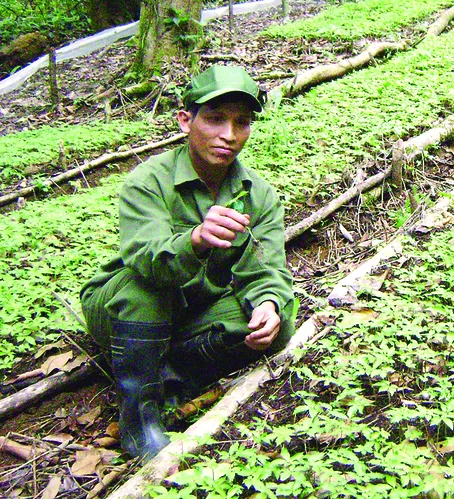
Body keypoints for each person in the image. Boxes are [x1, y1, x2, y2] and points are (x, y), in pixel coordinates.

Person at [81, 66, 296, 460]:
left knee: (278, 322)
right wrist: (195, 240)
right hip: (124, 305)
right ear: (186, 120)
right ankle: (139, 421)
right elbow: (146, 260)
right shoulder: (148, 181)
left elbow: (267, 269)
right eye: (214, 119)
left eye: (241, 122)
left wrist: (268, 303)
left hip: (193, 306)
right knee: (144, 290)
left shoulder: (258, 194)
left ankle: (168, 373)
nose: (229, 136)